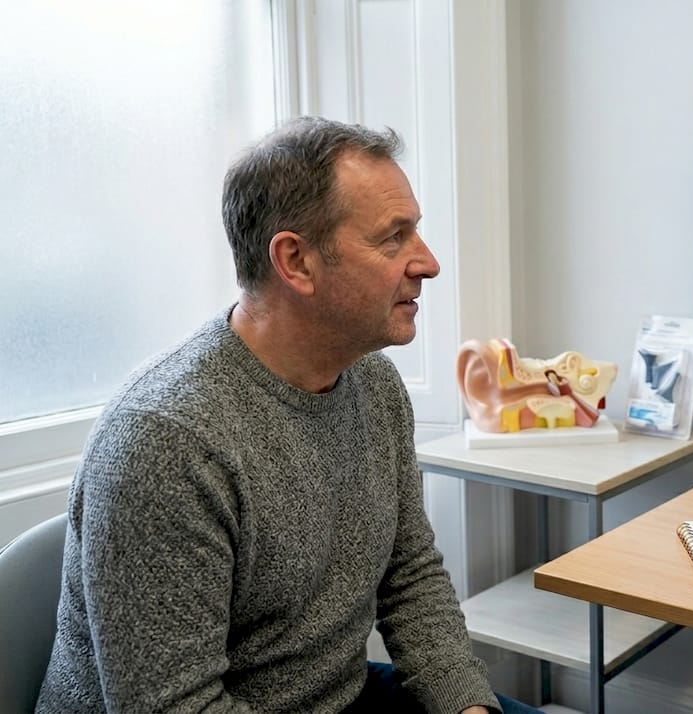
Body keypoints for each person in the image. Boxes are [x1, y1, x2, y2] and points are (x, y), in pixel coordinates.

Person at [37, 117, 542, 713]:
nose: (427, 263)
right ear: (295, 261)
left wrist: (467, 707)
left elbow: (409, 577)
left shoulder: (373, 384)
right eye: (393, 238)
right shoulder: (166, 441)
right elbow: (176, 706)